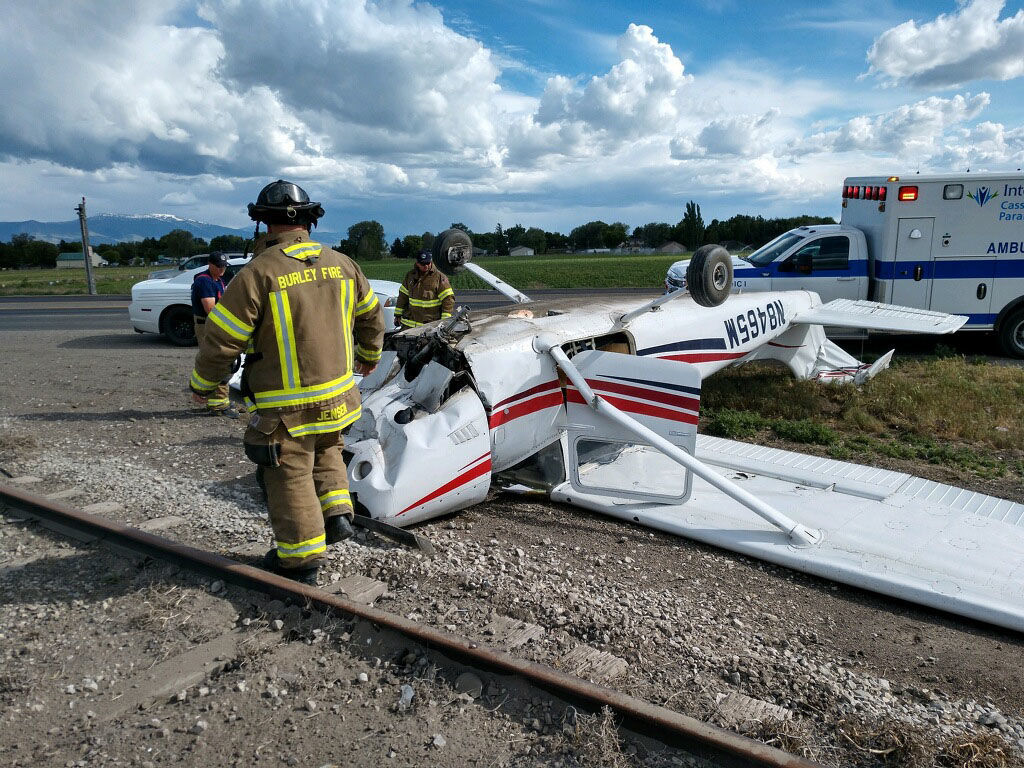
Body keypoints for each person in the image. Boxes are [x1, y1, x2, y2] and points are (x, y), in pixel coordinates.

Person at [188, 180, 385, 585]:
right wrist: (369, 357)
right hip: (338, 396)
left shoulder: (258, 274)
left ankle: (299, 561)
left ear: (263, 223)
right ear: (310, 220)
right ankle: (336, 515)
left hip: (285, 409)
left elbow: (221, 338)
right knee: (328, 448)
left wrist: (204, 384)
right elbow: (371, 317)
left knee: (289, 472)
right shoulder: (344, 264)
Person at [190, 252, 237, 416]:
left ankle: (220, 402)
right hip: (208, 326)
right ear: (210, 264)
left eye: (224, 266)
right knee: (216, 361)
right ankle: (217, 405)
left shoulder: (218, 280)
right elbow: (210, 309)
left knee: (222, 361)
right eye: (219, 266)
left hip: (214, 325)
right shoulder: (205, 281)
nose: (222, 269)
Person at [393, 250, 455, 329]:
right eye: (422, 264)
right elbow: (402, 296)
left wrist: (444, 321)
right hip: (409, 324)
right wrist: (397, 315)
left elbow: (448, 299)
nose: (426, 266)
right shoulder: (410, 276)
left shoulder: (439, 277)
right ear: (417, 263)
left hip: (430, 325)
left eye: (428, 263)